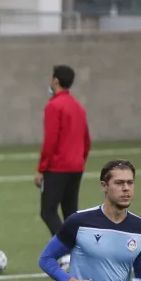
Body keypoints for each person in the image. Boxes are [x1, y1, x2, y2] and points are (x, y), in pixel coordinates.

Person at [35, 65, 91, 239]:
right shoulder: (78, 107)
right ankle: (79, 252)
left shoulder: (54, 106)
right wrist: (80, 160)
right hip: (76, 166)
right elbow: (86, 140)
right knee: (70, 212)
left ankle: (65, 248)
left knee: (48, 211)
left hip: (58, 167)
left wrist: (41, 169)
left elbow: (51, 140)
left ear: (56, 81)